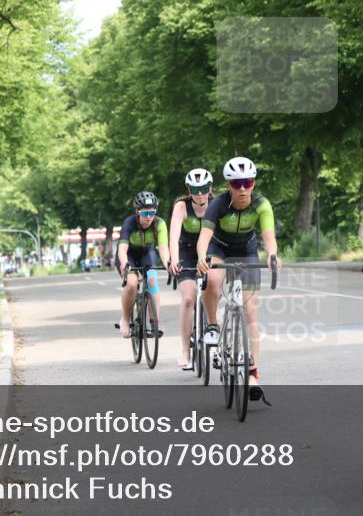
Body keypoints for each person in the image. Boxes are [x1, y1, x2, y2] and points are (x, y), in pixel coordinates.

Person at [196, 157, 280, 403]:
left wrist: (273, 255)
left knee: (251, 310)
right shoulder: (218, 204)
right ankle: (212, 325)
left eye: (248, 182)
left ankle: (253, 373)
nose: (242, 189)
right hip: (218, 248)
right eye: (236, 184)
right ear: (228, 185)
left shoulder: (262, 205)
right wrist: (202, 256)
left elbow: (269, 238)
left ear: (253, 183)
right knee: (212, 280)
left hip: (247, 250)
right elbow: (204, 236)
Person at [168, 168, 214, 371]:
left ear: (210, 188)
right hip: (187, 252)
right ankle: (186, 351)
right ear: (189, 190)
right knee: (188, 298)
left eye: (204, 189)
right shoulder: (181, 206)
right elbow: (173, 236)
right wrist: (174, 261)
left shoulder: (217, 203)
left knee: (212, 291)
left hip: (210, 251)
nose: (200, 193)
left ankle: (214, 330)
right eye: (195, 189)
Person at [115, 191, 171, 338]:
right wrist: (125, 264)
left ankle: (155, 322)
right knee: (132, 283)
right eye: (145, 213)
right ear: (137, 212)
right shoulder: (129, 223)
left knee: (152, 280)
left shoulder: (159, 224)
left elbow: (164, 248)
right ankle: (126, 319)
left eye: (152, 212)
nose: (148, 217)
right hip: (129, 255)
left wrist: (167, 262)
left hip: (147, 253)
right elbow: (122, 249)